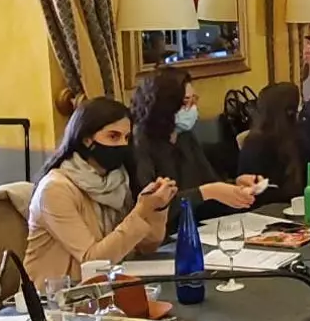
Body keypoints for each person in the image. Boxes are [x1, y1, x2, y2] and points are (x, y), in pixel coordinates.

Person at [25, 97, 176, 282]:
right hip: (57, 293)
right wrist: (140, 211)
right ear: (86, 139)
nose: (122, 144)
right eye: (113, 136)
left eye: (126, 138)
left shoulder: (118, 180)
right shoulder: (55, 189)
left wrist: (157, 208)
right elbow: (93, 262)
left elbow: (145, 247)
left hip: (107, 285)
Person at [128, 68, 260, 234]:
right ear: (164, 105)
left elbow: (209, 183)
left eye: (194, 101)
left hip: (199, 228)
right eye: (185, 103)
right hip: (161, 236)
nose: (192, 109)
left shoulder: (185, 136)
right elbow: (150, 207)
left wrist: (236, 186)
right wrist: (206, 192)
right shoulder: (140, 143)